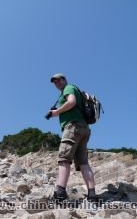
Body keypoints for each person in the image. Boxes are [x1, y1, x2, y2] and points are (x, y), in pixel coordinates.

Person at [48, 73, 97, 202]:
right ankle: (92, 195)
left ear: (65, 80)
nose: (57, 83)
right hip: (84, 129)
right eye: (54, 82)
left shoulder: (68, 88)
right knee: (83, 163)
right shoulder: (74, 90)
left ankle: (60, 193)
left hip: (73, 127)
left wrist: (56, 112)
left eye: (59, 80)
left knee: (64, 159)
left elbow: (71, 102)